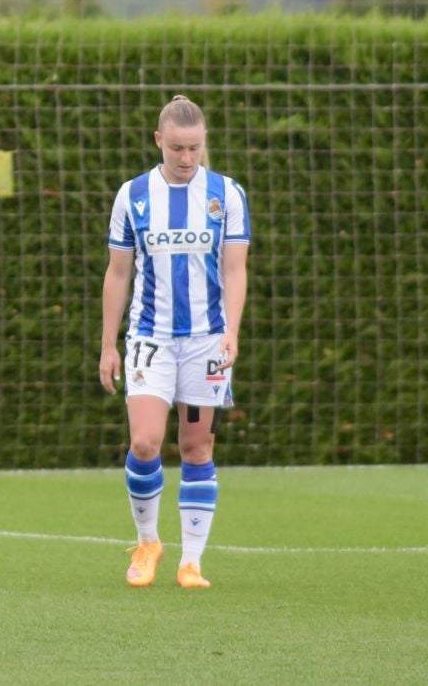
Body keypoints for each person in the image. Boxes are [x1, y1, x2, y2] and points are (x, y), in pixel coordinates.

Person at [98, 95, 250, 590]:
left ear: (205, 144)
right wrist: (108, 343)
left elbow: (234, 267)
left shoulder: (226, 193)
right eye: (178, 148)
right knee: (144, 441)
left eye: (195, 149)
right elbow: (118, 272)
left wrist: (231, 331)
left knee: (196, 445)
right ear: (159, 141)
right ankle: (147, 542)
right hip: (150, 339)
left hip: (206, 341)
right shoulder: (133, 194)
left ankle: (192, 561)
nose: (186, 158)